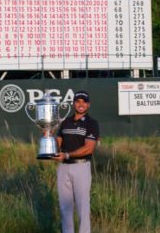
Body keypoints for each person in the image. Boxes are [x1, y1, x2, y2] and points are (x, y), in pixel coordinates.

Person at [52, 91, 100, 233]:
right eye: (78, 101)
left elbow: (89, 149)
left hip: (81, 167)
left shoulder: (92, 123)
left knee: (82, 207)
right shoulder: (66, 122)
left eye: (84, 102)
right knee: (65, 208)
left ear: (88, 105)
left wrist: (67, 155)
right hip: (63, 168)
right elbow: (58, 145)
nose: (81, 104)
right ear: (73, 103)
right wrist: (48, 135)